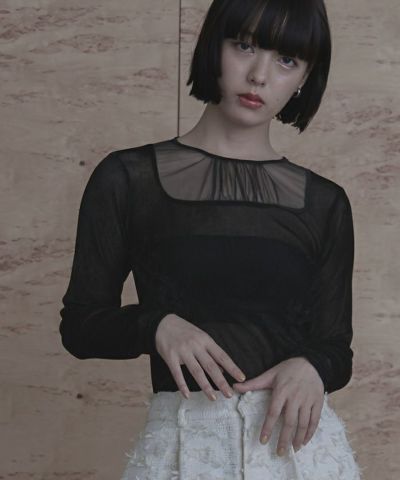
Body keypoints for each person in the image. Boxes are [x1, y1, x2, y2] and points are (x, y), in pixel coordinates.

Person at [59, 0, 365, 478]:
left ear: (306, 77)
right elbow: (80, 326)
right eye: (244, 46)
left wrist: (313, 367)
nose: (259, 75)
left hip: (299, 456)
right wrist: (155, 325)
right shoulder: (128, 179)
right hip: (182, 453)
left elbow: (335, 347)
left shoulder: (325, 203)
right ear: (212, 47)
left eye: (287, 60)